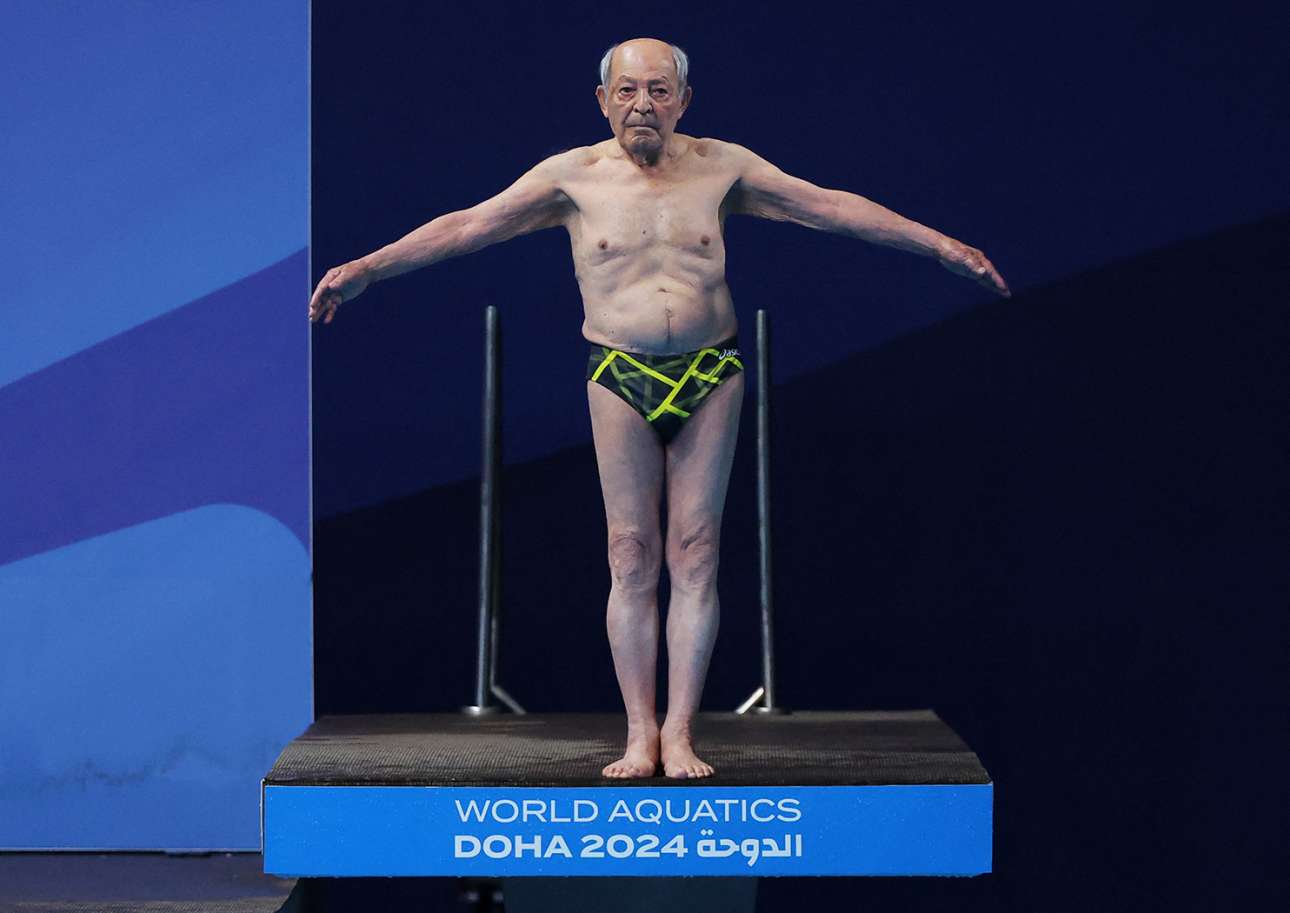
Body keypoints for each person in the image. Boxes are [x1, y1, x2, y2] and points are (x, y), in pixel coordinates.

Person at [309, 37, 1011, 780]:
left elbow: (829, 206)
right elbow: (467, 225)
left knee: (697, 551)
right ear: (603, 100)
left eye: (658, 90)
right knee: (631, 552)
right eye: (628, 90)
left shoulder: (722, 167)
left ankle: (679, 732)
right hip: (619, 370)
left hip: (711, 369)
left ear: (682, 101)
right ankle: (639, 731)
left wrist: (939, 245)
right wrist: (368, 269)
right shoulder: (571, 177)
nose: (642, 104)